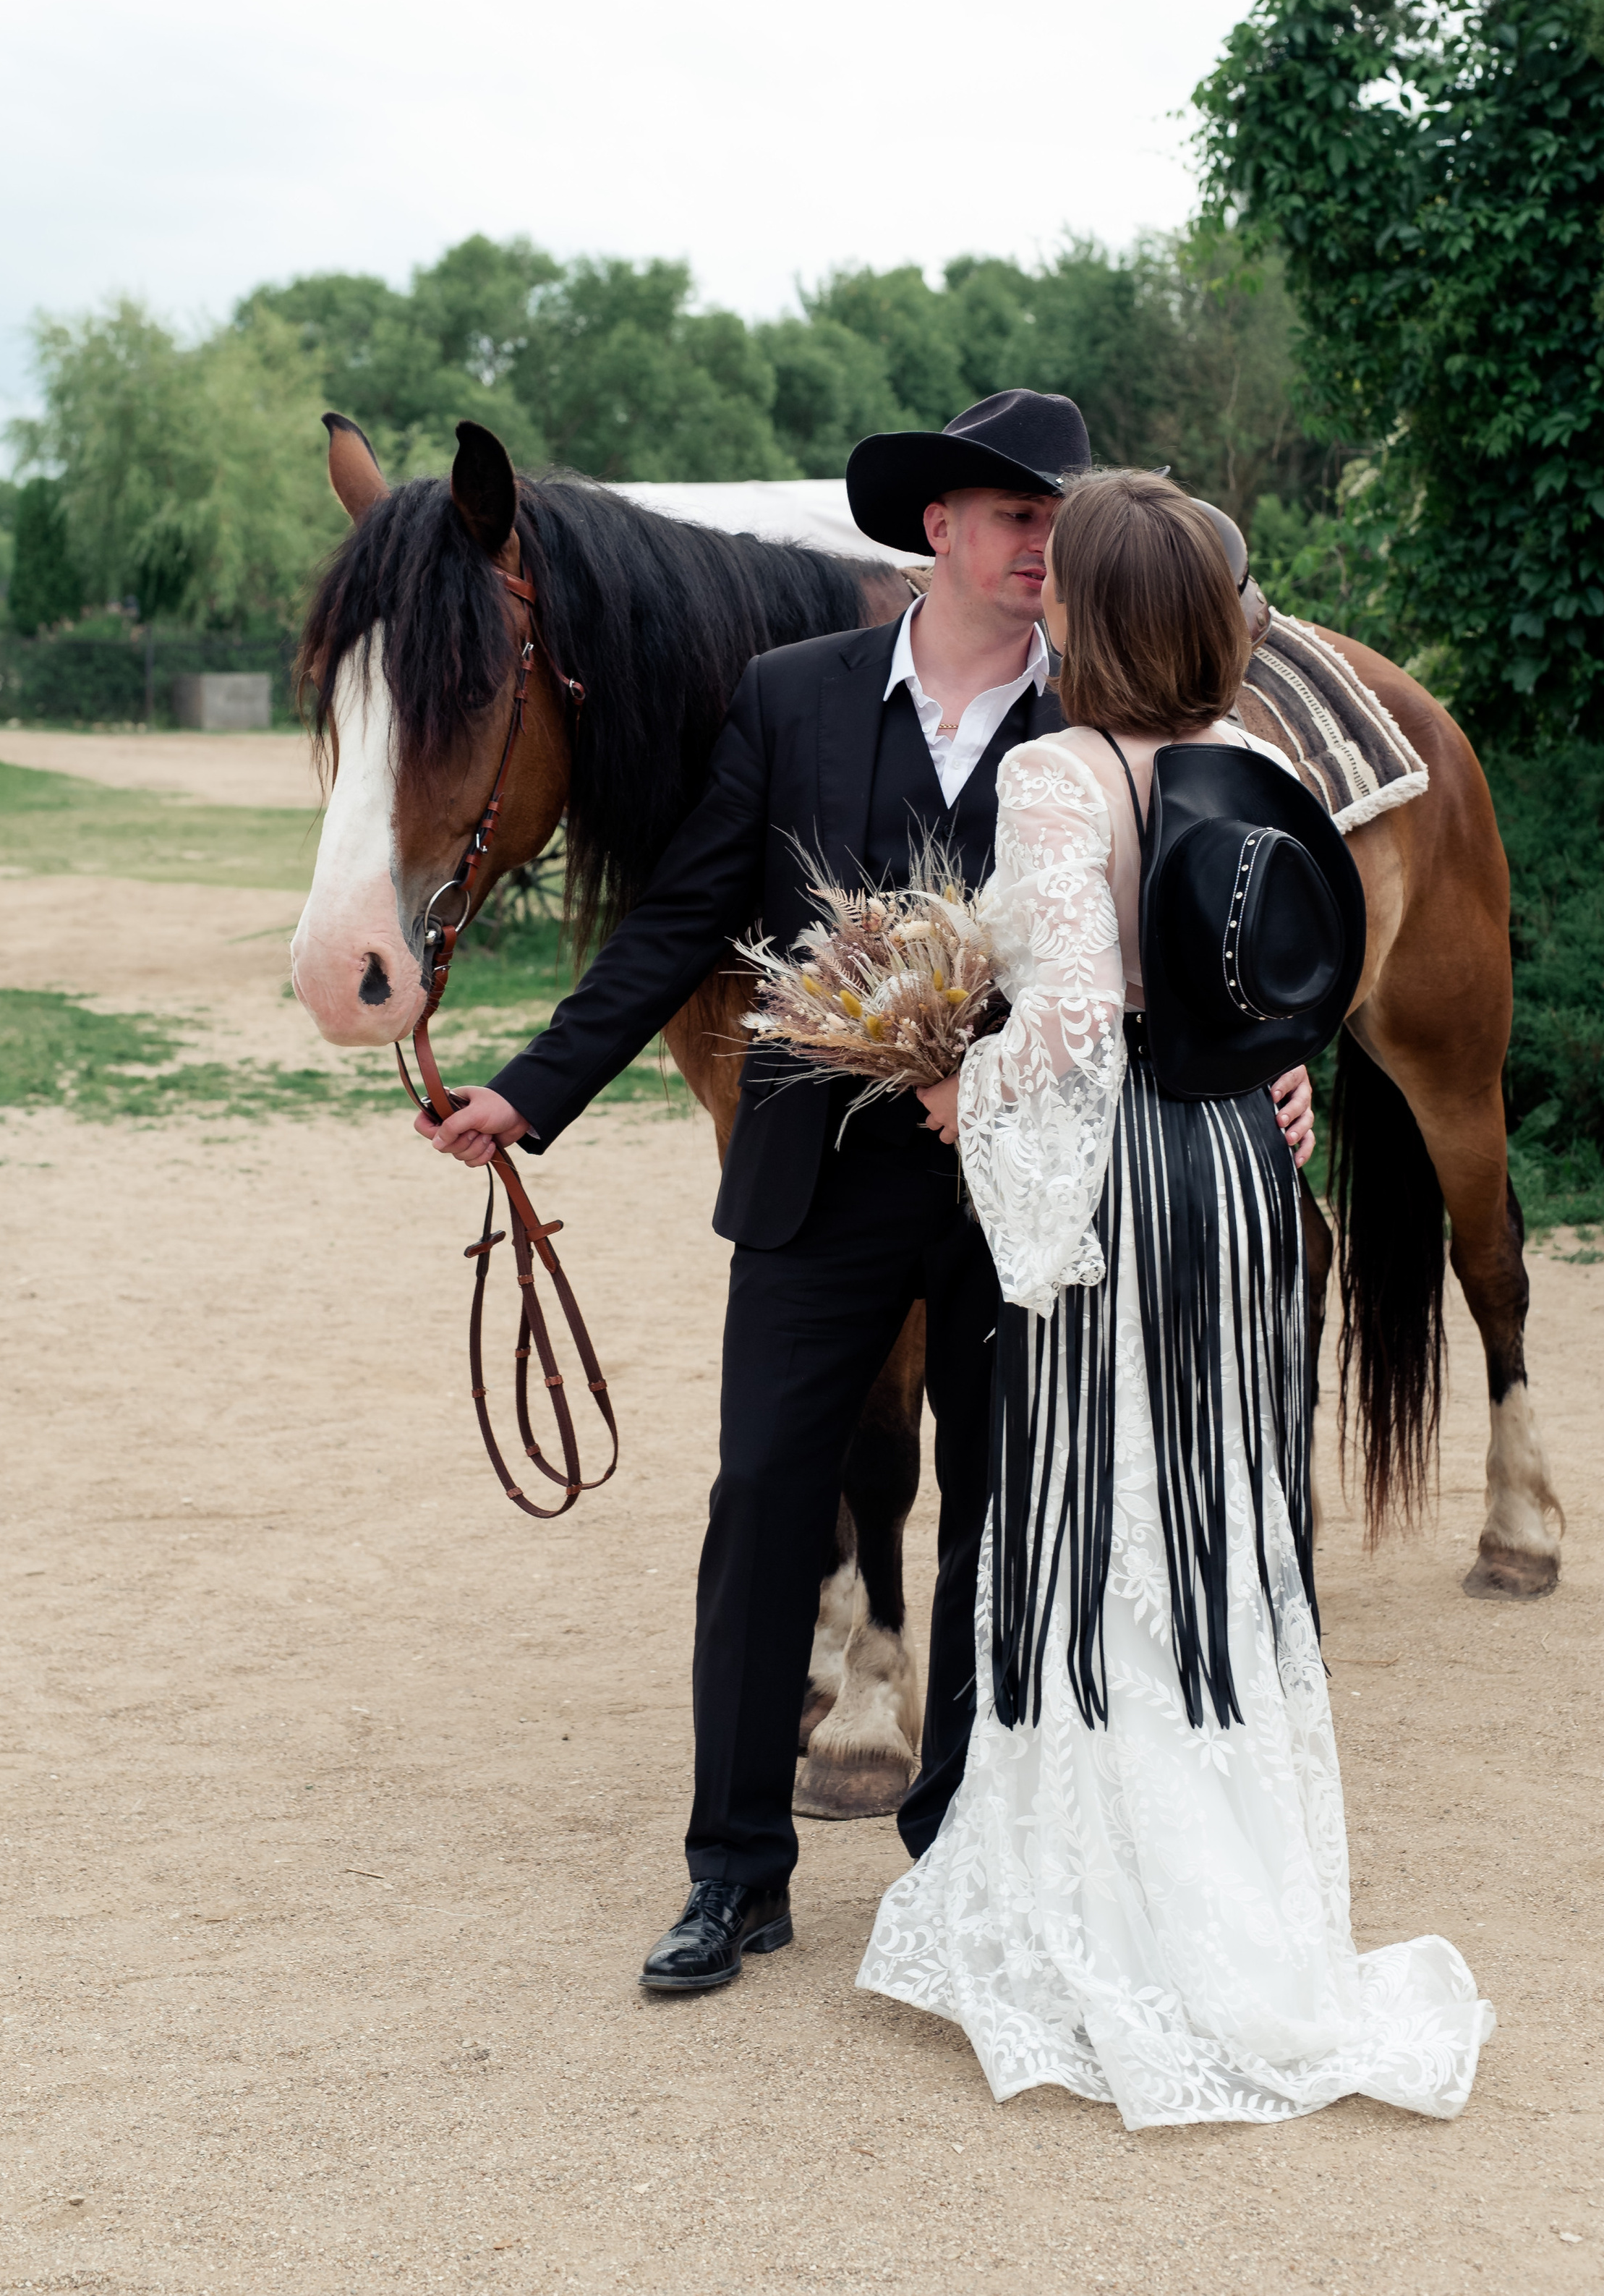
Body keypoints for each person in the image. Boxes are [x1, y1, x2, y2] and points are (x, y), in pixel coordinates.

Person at [417, 394, 1315, 1997]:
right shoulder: (790, 698)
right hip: (812, 1190)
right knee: (762, 1500)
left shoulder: (1108, 723)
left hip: (1034, 1199)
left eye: (1059, 521)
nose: (1044, 544)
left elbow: (1198, 940)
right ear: (936, 535)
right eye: (1012, 518)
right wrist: (530, 1090)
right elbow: (681, 911)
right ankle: (733, 1874)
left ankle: (957, 1850)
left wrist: (1262, 1064)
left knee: (998, 1516)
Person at [857, 468, 1495, 2125]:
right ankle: (1241, 1885)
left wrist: (961, 1097)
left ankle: (1112, 1901)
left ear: (1096, 614)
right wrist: (1276, 1085)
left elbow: (1067, 1023)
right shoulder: (1267, 760)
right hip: (1234, 1170)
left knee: (1096, 1492)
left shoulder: (1057, 778)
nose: (1040, 604)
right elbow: (1284, 979)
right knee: (1211, 1495)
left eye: (1063, 588)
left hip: (1129, 1175)